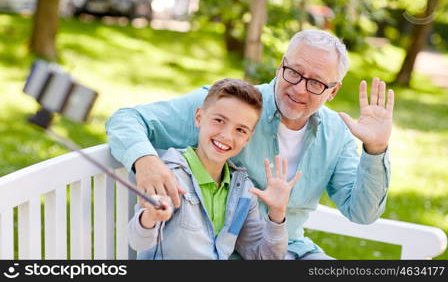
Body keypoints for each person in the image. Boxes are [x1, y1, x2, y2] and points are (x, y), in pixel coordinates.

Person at [106, 29, 394, 260]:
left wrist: (376, 149)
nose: (299, 88)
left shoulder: (337, 134)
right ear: (281, 64)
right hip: (227, 251)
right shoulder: (233, 107)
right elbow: (126, 119)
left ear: (333, 91)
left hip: (288, 250)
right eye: (294, 72)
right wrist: (145, 161)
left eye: (316, 83)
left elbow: (362, 213)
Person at [127, 78, 301, 259]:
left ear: (248, 138)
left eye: (240, 130)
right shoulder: (170, 177)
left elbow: (264, 257)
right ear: (199, 117)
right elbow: (137, 241)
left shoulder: (244, 193)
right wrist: (150, 216)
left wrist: (277, 214)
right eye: (219, 120)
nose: (226, 135)